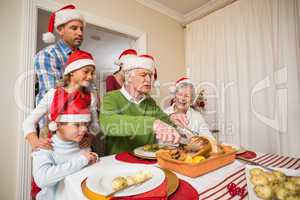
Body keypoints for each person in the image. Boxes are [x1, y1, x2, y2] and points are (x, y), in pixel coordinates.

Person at [100, 54, 188, 154]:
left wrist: (172, 117)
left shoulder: (149, 101)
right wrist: (152, 124)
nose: (149, 79)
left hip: (148, 160)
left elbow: (164, 120)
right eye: (143, 75)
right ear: (129, 77)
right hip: (120, 161)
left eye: (150, 75)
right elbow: (107, 124)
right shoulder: (111, 97)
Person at [31, 82, 99, 200]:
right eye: (77, 125)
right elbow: (42, 179)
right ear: (57, 125)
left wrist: (93, 159)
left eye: (85, 124)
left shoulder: (83, 143)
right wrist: (82, 160)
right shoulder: (45, 147)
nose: (84, 129)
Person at [23, 50, 99, 151]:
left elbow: (95, 124)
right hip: (57, 150)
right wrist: (34, 141)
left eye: (92, 73)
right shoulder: (53, 94)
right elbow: (28, 122)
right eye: (85, 71)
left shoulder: (91, 97)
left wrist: (90, 137)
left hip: (82, 151)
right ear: (71, 72)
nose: (90, 77)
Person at [34, 4, 88, 145]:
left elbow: (89, 93)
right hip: (54, 131)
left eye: (81, 29)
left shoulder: (84, 59)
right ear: (60, 29)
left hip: (81, 129)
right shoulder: (47, 55)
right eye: (74, 28)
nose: (80, 33)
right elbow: (52, 95)